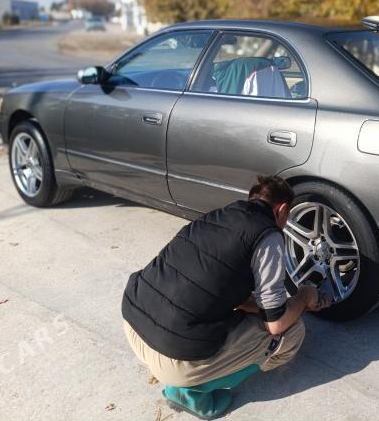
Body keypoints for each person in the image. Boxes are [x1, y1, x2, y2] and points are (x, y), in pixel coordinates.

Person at [122, 175, 328, 419]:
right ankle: (190, 391)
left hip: (134, 324)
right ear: (282, 210)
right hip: (172, 358)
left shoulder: (216, 217)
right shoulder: (269, 236)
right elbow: (276, 324)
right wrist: (304, 297)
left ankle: (182, 375)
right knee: (292, 333)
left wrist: (254, 305)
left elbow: (212, 282)